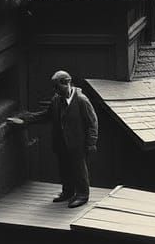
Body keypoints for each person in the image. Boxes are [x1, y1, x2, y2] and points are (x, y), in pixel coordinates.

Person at [7, 70, 98, 208]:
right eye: (54, 87)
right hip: (61, 143)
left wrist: (91, 143)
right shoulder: (56, 100)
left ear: (67, 83)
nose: (55, 90)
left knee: (79, 170)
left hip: (77, 143)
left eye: (57, 86)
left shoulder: (81, 100)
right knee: (64, 169)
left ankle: (82, 195)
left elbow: (93, 123)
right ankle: (67, 192)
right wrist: (25, 119)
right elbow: (45, 116)